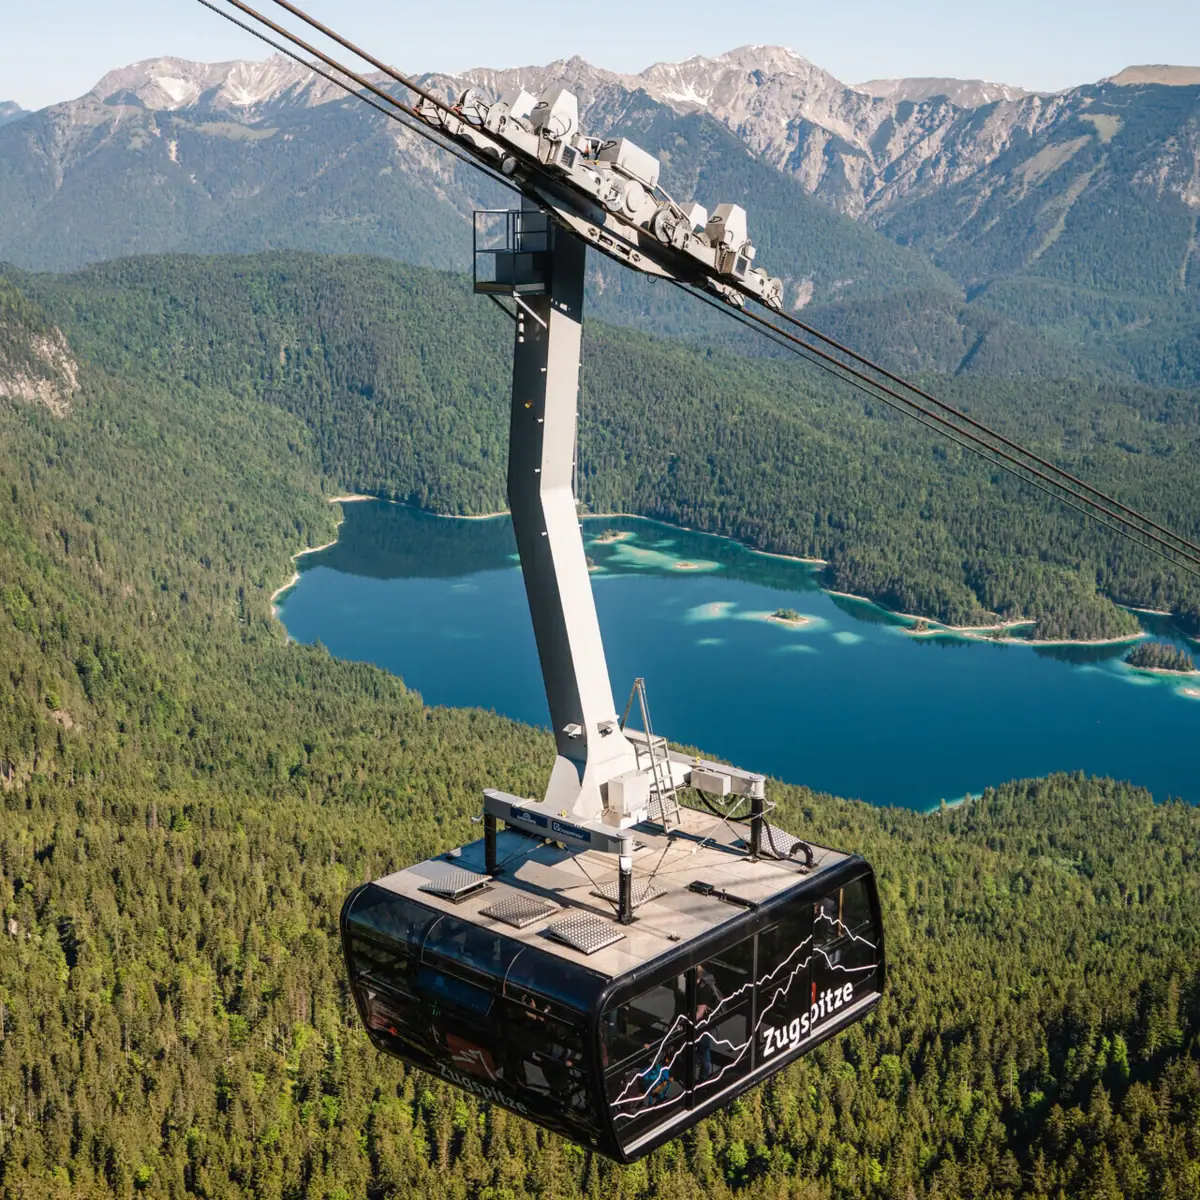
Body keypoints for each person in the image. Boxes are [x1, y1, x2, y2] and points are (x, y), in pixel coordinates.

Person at [694, 964, 723, 1082]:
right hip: (700, 1023)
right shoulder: (696, 985)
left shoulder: (704, 988)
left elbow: (699, 1013)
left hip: (705, 1024)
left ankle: (704, 1078)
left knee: (704, 1049)